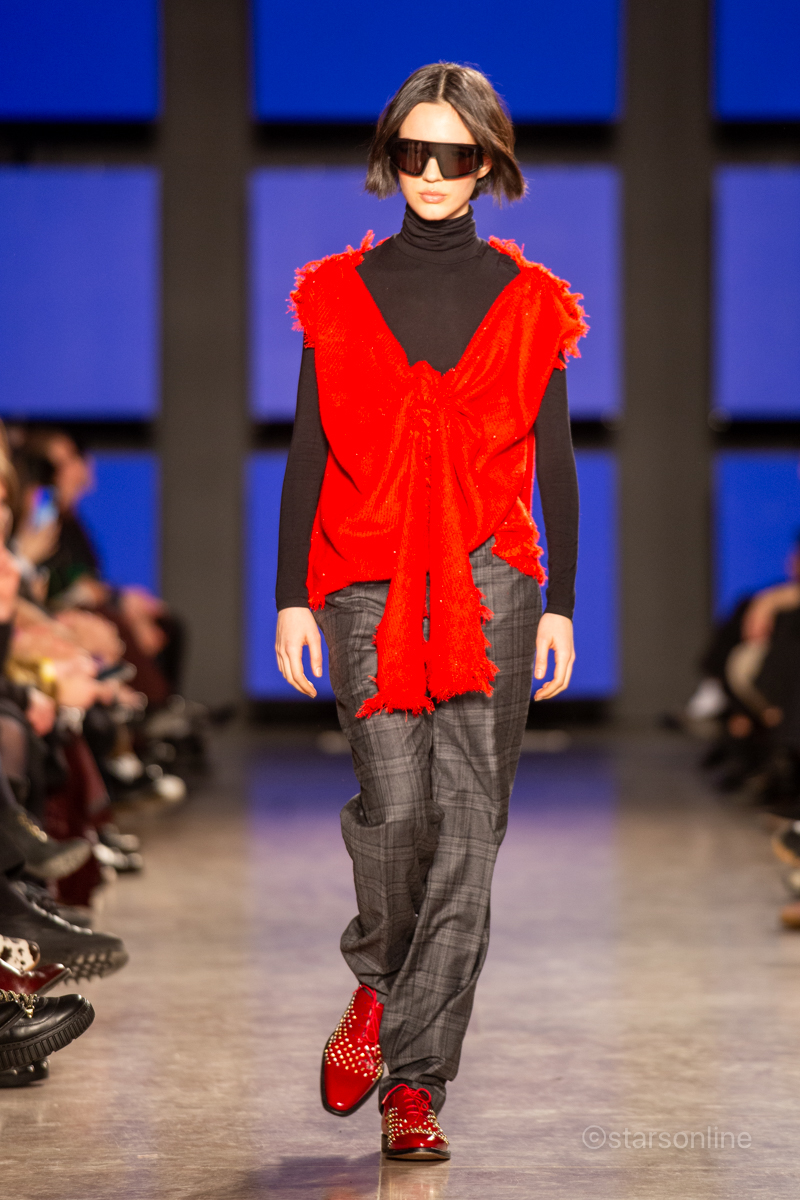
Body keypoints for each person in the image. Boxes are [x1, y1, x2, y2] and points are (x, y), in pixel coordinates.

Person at [274, 63, 585, 1161]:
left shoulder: (532, 300)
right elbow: (308, 449)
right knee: (396, 810)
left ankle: (414, 1084)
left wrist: (560, 605)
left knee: (469, 832)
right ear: (389, 158)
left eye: (456, 154)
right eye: (415, 151)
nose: (433, 172)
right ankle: (378, 981)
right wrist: (290, 595)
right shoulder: (336, 294)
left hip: (493, 578)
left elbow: (554, 459)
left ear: (487, 164)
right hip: (362, 575)